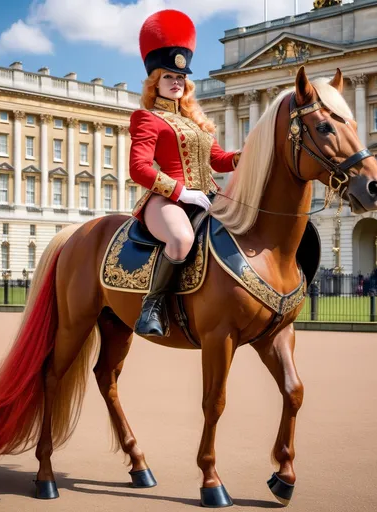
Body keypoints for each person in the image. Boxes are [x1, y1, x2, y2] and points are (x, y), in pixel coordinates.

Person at [129, 9, 240, 337]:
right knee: (180, 240)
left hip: (207, 197)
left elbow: (217, 160)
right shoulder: (147, 118)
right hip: (167, 200)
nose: (176, 83)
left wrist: (244, 157)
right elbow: (139, 168)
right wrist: (180, 192)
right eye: (169, 77)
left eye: (180, 78)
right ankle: (152, 306)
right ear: (155, 81)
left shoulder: (196, 120)